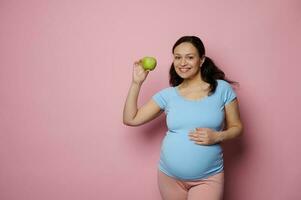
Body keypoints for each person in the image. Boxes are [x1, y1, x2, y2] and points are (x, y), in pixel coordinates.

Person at [123, 36, 243, 200]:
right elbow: (131, 119)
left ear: (201, 60)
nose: (182, 62)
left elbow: (237, 127)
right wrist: (136, 83)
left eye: (190, 57)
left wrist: (218, 136)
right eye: (177, 57)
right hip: (169, 177)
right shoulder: (168, 95)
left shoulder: (222, 89)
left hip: (207, 179)